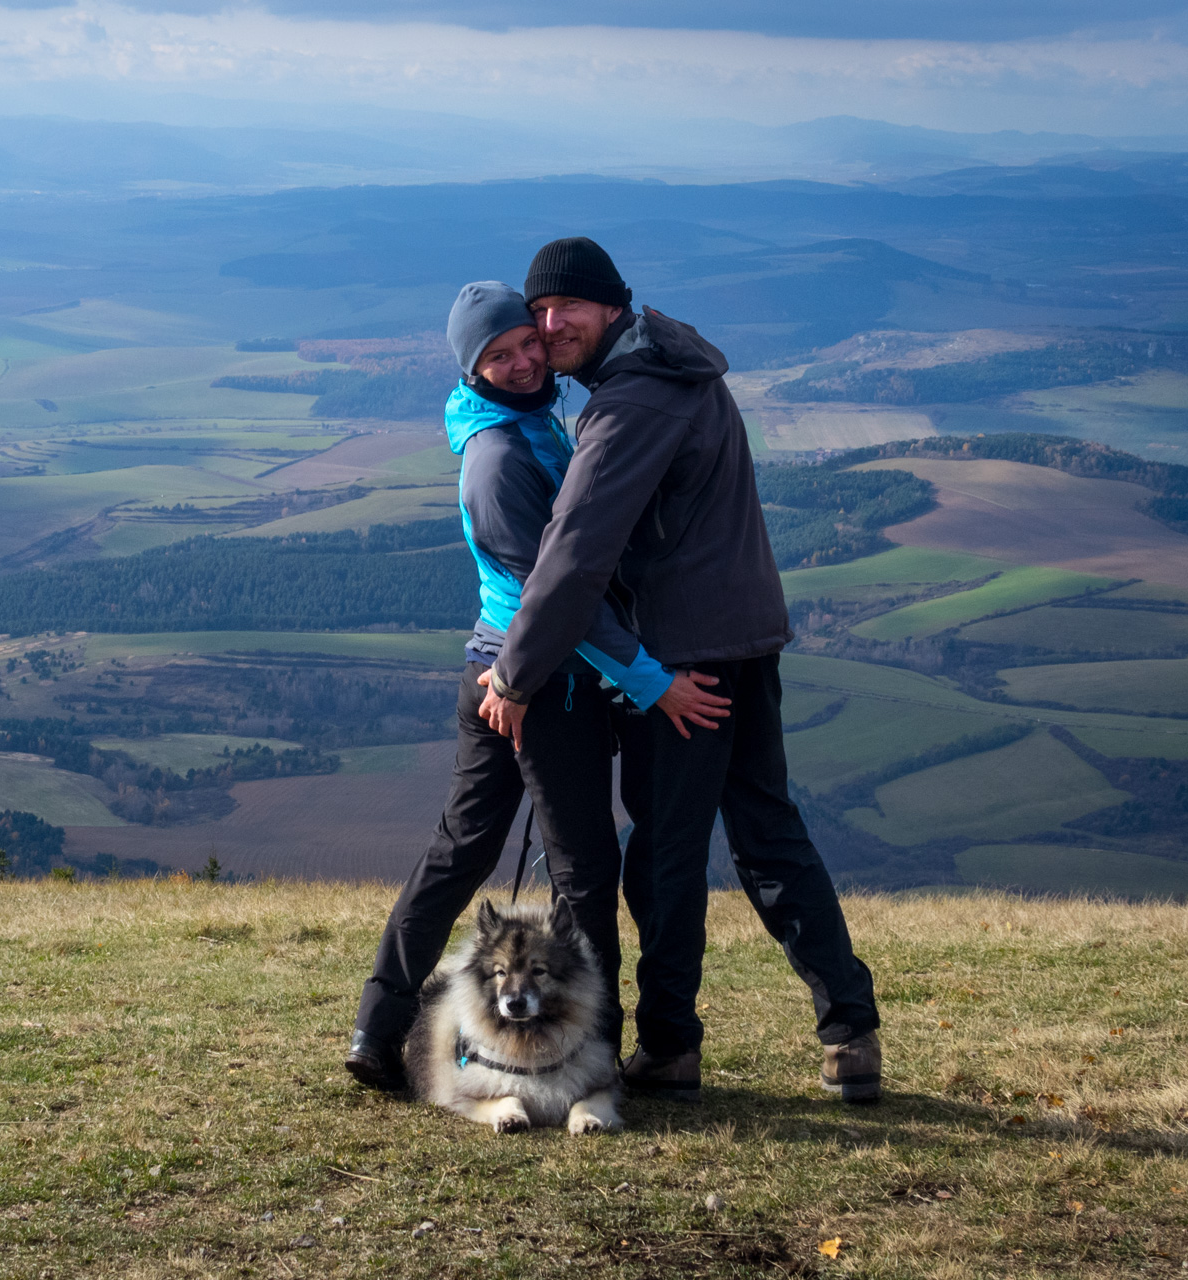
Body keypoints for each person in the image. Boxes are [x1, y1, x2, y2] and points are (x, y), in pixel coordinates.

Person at [477, 238, 885, 1104]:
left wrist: (514, 675)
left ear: (612, 305)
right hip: (744, 638)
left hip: (689, 660)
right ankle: (851, 1029)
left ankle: (668, 1048)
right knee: (769, 834)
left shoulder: (634, 403)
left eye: (568, 311)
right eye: (539, 313)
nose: (550, 328)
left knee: (662, 856)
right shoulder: (676, 361)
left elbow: (574, 554)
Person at [343, 281, 730, 1092]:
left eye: (525, 344)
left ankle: (377, 1031)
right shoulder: (500, 457)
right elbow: (559, 599)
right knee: (581, 870)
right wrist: (655, 684)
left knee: (460, 855)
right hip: (535, 684)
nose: (522, 362)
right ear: (471, 368)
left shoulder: (521, 426)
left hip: (505, 671)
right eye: (498, 356)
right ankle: (593, 1058)